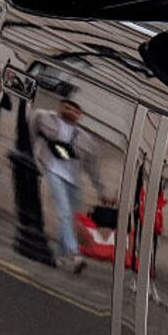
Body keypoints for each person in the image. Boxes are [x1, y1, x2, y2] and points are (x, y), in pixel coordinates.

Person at [31, 98, 103, 273]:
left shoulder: (84, 138)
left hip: (73, 180)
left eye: (75, 110)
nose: (70, 112)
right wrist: (32, 156)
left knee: (68, 218)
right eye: (67, 107)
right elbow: (31, 130)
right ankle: (73, 253)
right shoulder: (44, 118)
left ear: (79, 115)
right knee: (63, 212)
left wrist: (100, 190)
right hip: (53, 170)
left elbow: (92, 166)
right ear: (60, 107)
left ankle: (61, 256)